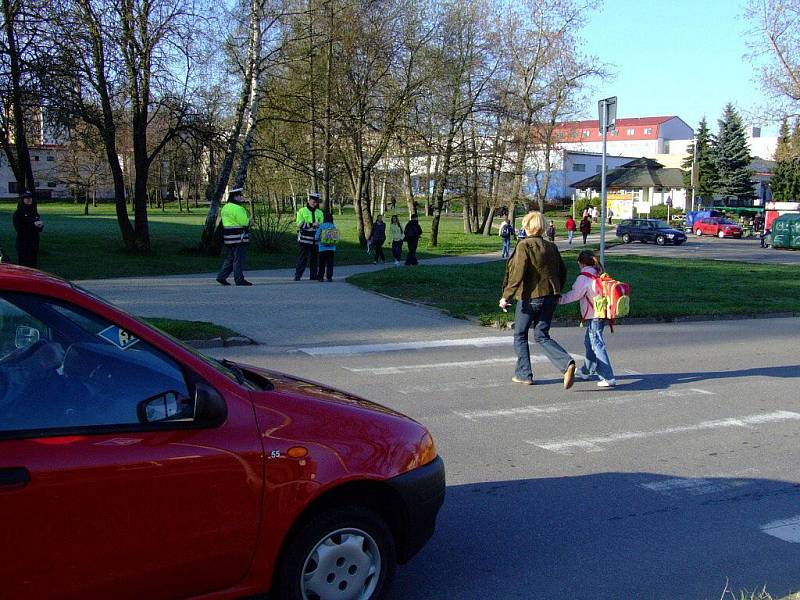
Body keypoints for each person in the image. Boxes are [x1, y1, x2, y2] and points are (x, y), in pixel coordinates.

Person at [498, 211, 576, 389]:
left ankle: (524, 374)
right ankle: (567, 363)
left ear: (527, 226)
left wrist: (506, 297)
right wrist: (556, 291)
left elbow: (518, 274)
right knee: (541, 335)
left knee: (520, 334)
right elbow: (562, 272)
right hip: (551, 296)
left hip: (530, 297)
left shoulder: (524, 246)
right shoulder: (552, 246)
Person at [559, 250, 616, 387]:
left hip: (594, 315)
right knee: (589, 342)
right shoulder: (597, 274)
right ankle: (586, 371)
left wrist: (559, 299)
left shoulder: (584, 277)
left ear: (581, 263)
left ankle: (608, 377)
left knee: (596, 344)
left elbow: (575, 294)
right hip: (601, 314)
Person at [216, 187, 252, 286]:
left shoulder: (225, 207)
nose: (241, 198)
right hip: (239, 237)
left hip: (228, 237)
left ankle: (221, 276)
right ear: (235, 197)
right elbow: (244, 222)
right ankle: (239, 279)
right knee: (238, 259)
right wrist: (250, 221)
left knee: (230, 258)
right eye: (240, 196)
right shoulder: (238, 208)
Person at [295, 191, 324, 280]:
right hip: (304, 239)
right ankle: (298, 276)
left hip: (315, 239)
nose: (315, 203)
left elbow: (322, 225)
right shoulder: (302, 211)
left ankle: (313, 276)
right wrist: (312, 224)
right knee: (302, 258)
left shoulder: (319, 212)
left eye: (316, 202)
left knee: (314, 259)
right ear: (309, 200)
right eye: (313, 201)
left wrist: (318, 225)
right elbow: (299, 224)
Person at [13, 190, 44, 268]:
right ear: (22, 200)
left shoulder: (34, 212)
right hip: (24, 243)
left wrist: (40, 226)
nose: (29, 200)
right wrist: (33, 225)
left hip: (34, 242)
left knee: (33, 264)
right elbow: (20, 229)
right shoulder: (18, 213)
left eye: (30, 198)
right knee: (24, 265)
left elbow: (38, 228)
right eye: (26, 198)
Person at [315, 212, 338, 281]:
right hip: (331, 248)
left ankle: (321, 277)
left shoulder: (321, 226)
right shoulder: (333, 226)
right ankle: (329, 277)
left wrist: (319, 241)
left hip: (322, 248)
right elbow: (335, 238)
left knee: (322, 263)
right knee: (330, 264)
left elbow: (316, 237)